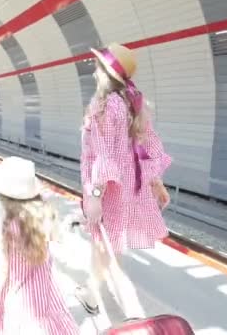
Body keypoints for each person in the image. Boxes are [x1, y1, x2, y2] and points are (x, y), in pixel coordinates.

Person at [74, 43, 172, 319]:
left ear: (105, 71)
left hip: (109, 191)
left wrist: (94, 194)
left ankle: (132, 314)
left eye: (97, 66)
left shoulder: (103, 106)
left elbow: (103, 156)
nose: (94, 71)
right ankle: (91, 292)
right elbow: (146, 146)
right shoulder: (134, 103)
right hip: (130, 187)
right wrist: (157, 183)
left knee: (108, 248)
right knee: (106, 244)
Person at [0, 157, 79, 335]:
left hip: (19, 301)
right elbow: (57, 241)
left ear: (4, 196)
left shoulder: (6, 228)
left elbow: (2, 272)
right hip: (47, 294)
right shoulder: (45, 216)